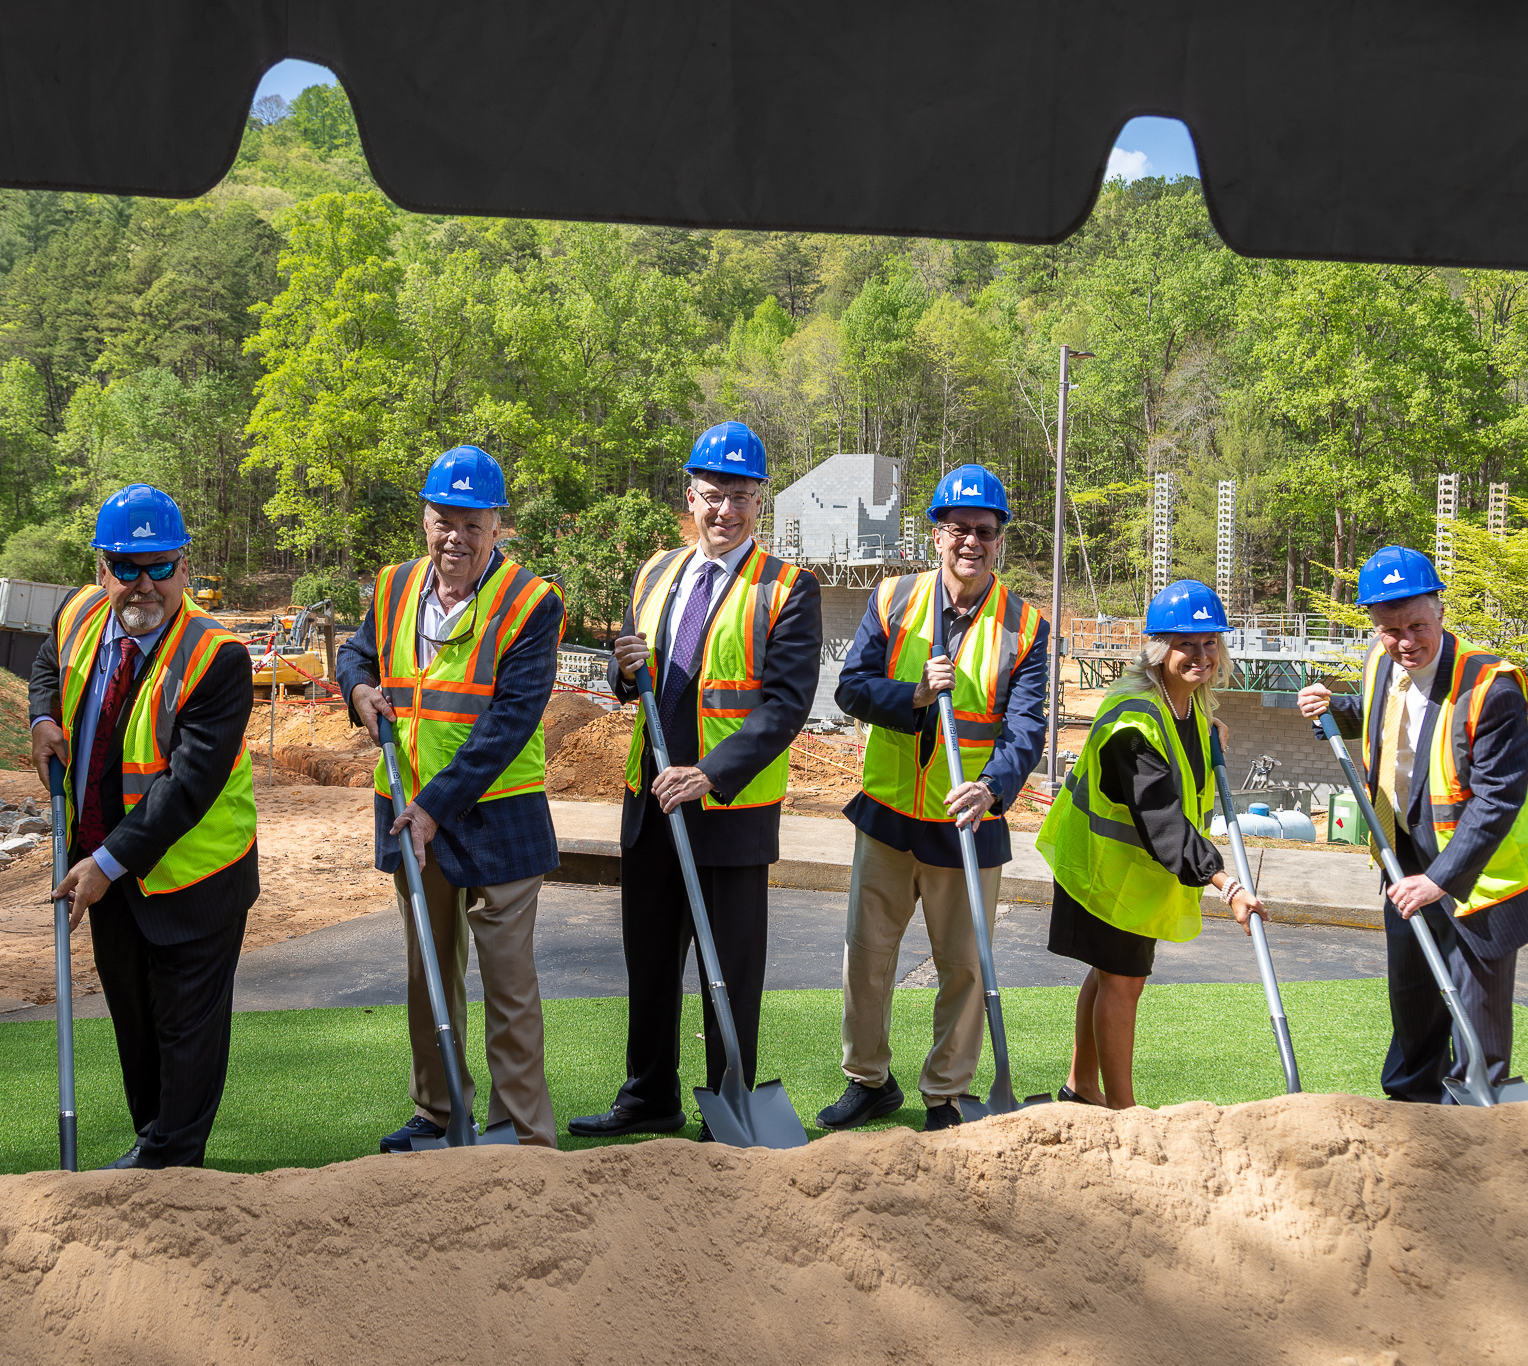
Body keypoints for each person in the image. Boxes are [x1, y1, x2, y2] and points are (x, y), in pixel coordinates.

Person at [569, 421, 822, 1141]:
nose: (726, 512)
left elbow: (783, 707)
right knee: (649, 965)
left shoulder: (788, 589)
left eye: (742, 497)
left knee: (729, 975)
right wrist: (624, 674)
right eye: (714, 496)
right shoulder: (655, 573)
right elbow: (633, 683)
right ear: (691, 495)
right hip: (649, 804)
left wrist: (709, 774)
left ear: (759, 502)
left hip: (728, 811)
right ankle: (648, 1095)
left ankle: (729, 1101)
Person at [339, 445, 566, 1151]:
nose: (455, 539)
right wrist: (357, 690)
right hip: (409, 814)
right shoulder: (395, 585)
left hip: (494, 818)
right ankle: (438, 1112)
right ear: (425, 518)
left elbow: (508, 724)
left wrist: (436, 807)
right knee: (427, 974)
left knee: (509, 990)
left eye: (473, 524)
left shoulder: (532, 603)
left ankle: (524, 1135)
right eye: (443, 521)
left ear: (498, 527)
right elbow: (357, 652)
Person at [28, 483, 258, 1169]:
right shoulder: (78, 615)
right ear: (101, 571)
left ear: (185, 567)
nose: (144, 584)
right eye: (127, 568)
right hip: (106, 869)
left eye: (160, 566)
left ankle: (172, 1161)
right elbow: (45, 663)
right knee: (134, 1021)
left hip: (194, 875)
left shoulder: (219, 658)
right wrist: (43, 718)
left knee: (186, 1027)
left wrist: (104, 865)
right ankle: (153, 1141)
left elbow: (188, 786)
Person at [819, 464, 1050, 1132]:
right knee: (866, 958)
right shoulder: (893, 600)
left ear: (999, 540)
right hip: (888, 816)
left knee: (964, 970)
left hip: (966, 825)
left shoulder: (1026, 628)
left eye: (984, 530)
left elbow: (1026, 730)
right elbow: (853, 689)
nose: (970, 542)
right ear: (937, 535)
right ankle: (868, 1079)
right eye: (958, 529)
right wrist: (914, 696)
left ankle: (945, 1093)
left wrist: (994, 787)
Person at [1297, 545, 1528, 1103]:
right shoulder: (1381, 661)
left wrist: (1441, 879)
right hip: (1404, 849)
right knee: (1412, 988)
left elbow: (1498, 799)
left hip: (1481, 869)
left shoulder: (1493, 688)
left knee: (1473, 1003)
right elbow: (1393, 720)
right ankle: (1411, 1101)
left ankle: (1477, 1108)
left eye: (1417, 624)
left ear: (1440, 609)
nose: (1405, 641)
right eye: (1389, 629)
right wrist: (1337, 710)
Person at [1034, 580, 1264, 1110]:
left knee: (1109, 973)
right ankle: (1122, 1110)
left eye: (1210, 643)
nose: (1200, 655)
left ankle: (1081, 1088)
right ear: (1160, 649)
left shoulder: (1184, 705)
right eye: (1187, 644)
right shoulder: (1135, 721)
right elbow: (1161, 818)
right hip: (1102, 868)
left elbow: (1183, 739)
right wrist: (1226, 883)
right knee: (1124, 982)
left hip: (1127, 872)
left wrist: (1207, 726)